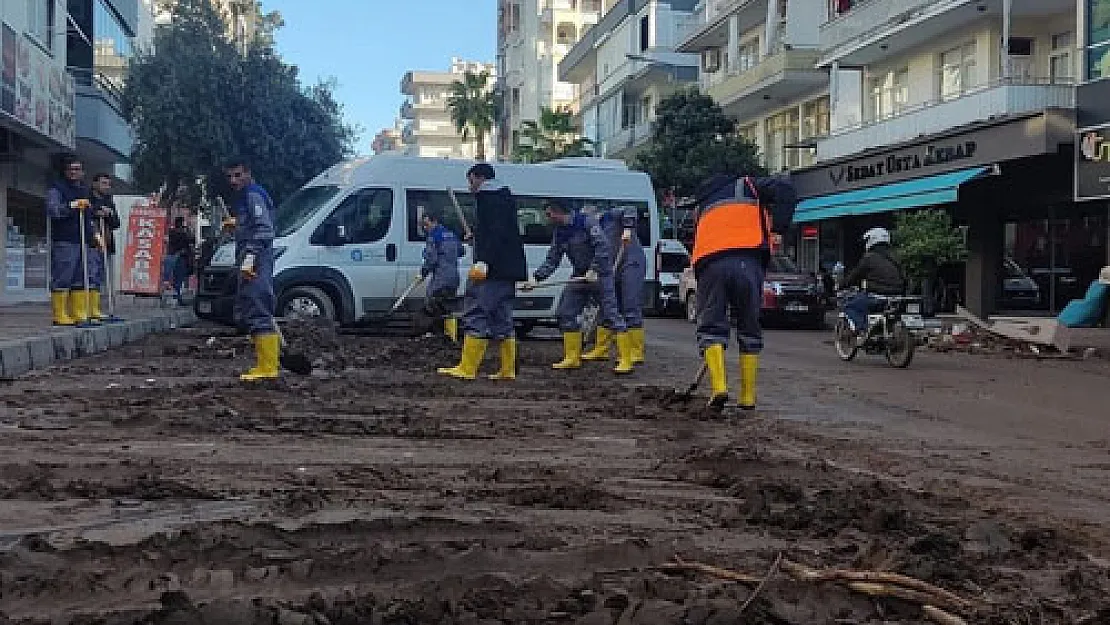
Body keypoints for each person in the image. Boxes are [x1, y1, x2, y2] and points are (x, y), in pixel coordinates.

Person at [691, 173, 796, 410]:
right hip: (748, 259)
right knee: (749, 327)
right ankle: (747, 397)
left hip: (710, 264)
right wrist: (779, 229)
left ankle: (719, 387)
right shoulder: (750, 185)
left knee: (711, 327)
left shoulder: (704, 205)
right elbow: (787, 188)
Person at [438, 163, 527, 381]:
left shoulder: (489, 198)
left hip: (492, 269)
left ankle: (467, 368)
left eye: (471, 181)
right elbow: (497, 231)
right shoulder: (505, 198)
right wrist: (477, 236)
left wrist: (484, 260)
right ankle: (508, 370)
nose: (470, 187)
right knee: (502, 317)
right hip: (509, 269)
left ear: (481, 178)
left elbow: (496, 233)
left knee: (476, 310)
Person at [524, 201, 633, 374]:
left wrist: (594, 269)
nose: (548, 218)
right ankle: (572, 357)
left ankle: (626, 360)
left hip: (600, 275)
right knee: (565, 312)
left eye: (549, 214)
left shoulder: (586, 223)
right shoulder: (559, 233)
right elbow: (553, 259)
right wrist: (536, 278)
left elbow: (602, 247)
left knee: (611, 315)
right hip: (579, 275)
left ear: (559, 212)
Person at [226, 158, 280, 381]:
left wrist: (250, 258)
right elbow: (252, 226)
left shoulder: (253, 194)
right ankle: (265, 364)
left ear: (248, 173)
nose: (233, 180)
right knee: (251, 306)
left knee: (258, 307)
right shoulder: (248, 196)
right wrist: (237, 225)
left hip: (256, 260)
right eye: (229, 176)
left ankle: (268, 367)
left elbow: (264, 230)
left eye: (238, 175)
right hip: (253, 258)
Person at [582, 204, 646, 366]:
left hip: (631, 262)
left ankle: (635, 351)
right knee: (607, 306)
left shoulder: (611, 215)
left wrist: (627, 228)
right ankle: (601, 348)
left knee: (630, 305)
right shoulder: (591, 231)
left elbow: (630, 209)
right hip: (611, 266)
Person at [45, 156, 96, 326]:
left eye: (77, 169)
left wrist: (94, 235)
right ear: (65, 171)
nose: (74, 172)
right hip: (65, 240)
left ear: (82, 172)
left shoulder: (84, 190)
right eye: (70, 169)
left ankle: (78, 313)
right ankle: (60, 314)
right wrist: (71, 206)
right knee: (63, 276)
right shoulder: (57, 189)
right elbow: (53, 211)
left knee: (81, 277)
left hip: (84, 240)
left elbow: (89, 217)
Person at [842, 227, 907, 338]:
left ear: (872, 240)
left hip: (877, 296)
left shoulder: (869, 258)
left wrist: (842, 285)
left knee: (850, 306)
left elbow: (855, 275)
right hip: (897, 296)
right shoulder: (896, 257)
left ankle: (861, 330)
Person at [419, 207, 464, 341]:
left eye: (427, 224)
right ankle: (451, 337)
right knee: (448, 306)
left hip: (441, 278)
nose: (426, 228)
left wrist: (423, 271)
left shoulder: (433, 237)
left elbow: (431, 259)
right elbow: (461, 251)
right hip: (454, 278)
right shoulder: (451, 235)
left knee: (432, 303)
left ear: (434, 222)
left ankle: (435, 335)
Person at [88, 173, 121, 321]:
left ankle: (98, 307)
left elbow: (116, 223)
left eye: (108, 184)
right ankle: (89, 308)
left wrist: (109, 214)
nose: (106, 187)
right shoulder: (88, 197)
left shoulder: (109, 200)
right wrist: (96, 211)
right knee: (92, 274)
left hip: (106, 242)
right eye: (103, 183)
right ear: (95, 183)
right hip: (92, 241)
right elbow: (85, 214)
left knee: (101, 275)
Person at [163, 216, 194, 306]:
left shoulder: (171, 232)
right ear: (181, 223)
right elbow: (191, 240)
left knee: (170, 279)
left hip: (170, 257)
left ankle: (171, 298)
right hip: (180, 258)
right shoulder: (182, 233)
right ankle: (177, 298)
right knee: (178, 279)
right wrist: (188, 229)